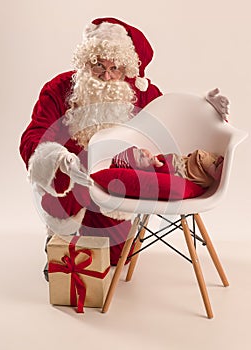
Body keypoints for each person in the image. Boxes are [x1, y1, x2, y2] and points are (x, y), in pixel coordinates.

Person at [19, 17, 229, 268]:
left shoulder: (142, 92)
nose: (106, 76)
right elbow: (34, 135)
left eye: (115, 68)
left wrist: (207, 111)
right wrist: (57, 159)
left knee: (113, 260)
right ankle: (59, 241)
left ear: (127, 68)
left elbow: (173, 125)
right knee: (67, 258)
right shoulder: (59, 88)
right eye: (97, 65)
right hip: (70, 186)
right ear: (86, 61)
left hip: (117, 188)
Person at [111, 146, 224, 188]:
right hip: (192, 175)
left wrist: (188, 159)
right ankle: (213, 170)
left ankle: (213, 165)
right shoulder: (153, 171)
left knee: (209, 155)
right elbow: (169, 174)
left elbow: (179, 159)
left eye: (141, 151)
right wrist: (159, 165)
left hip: (194, 167)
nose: (145, 154)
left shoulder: (159, 157)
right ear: (141, 169)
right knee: (199, 154)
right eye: (141, 158)